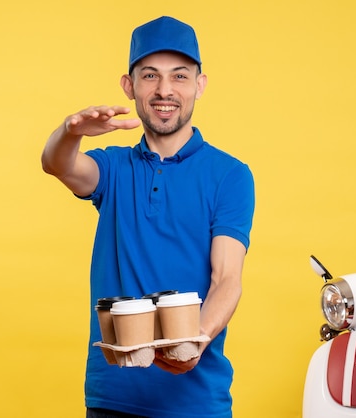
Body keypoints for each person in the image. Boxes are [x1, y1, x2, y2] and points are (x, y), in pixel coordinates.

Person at [41, 16, 255, 418]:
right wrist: (71, 132)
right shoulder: (114, 168)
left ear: (200, 84)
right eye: (150, 75)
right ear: (130, 85)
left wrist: (196, 341)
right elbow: (58, 165)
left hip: (196, 402)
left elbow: (227, 279)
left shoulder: (230, 175)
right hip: (113, 398)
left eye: (179, 76)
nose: (165, 90)